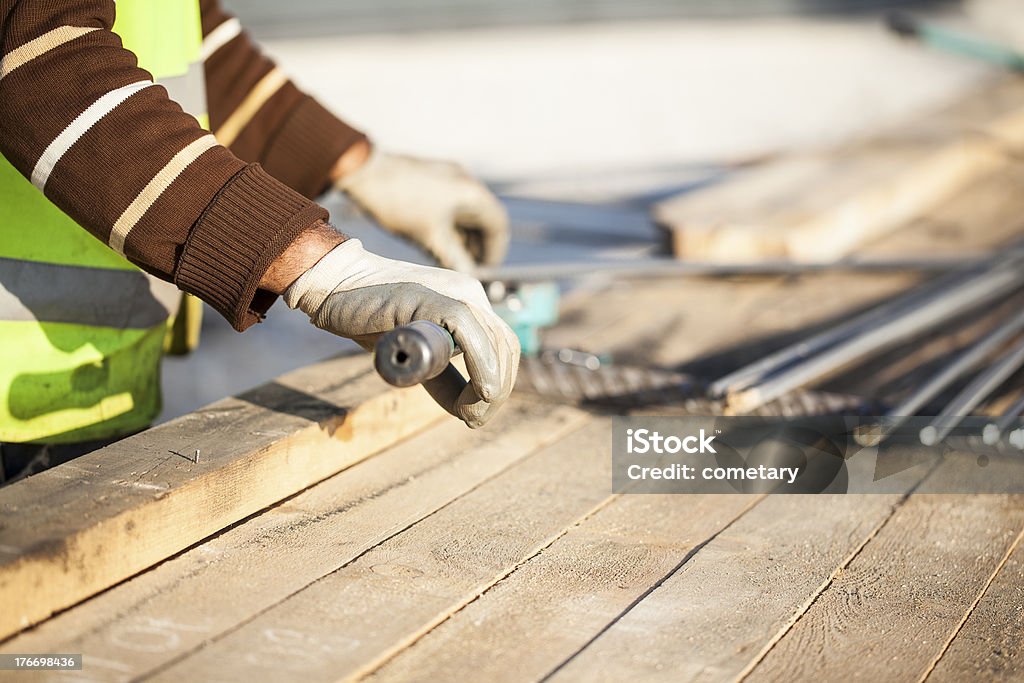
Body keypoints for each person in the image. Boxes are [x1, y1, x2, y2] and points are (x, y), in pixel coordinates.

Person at [0, 0, 520, 483]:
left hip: (78, 395)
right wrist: (313, 265)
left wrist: (355, 164)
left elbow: (187, 37)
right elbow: (39, 57)